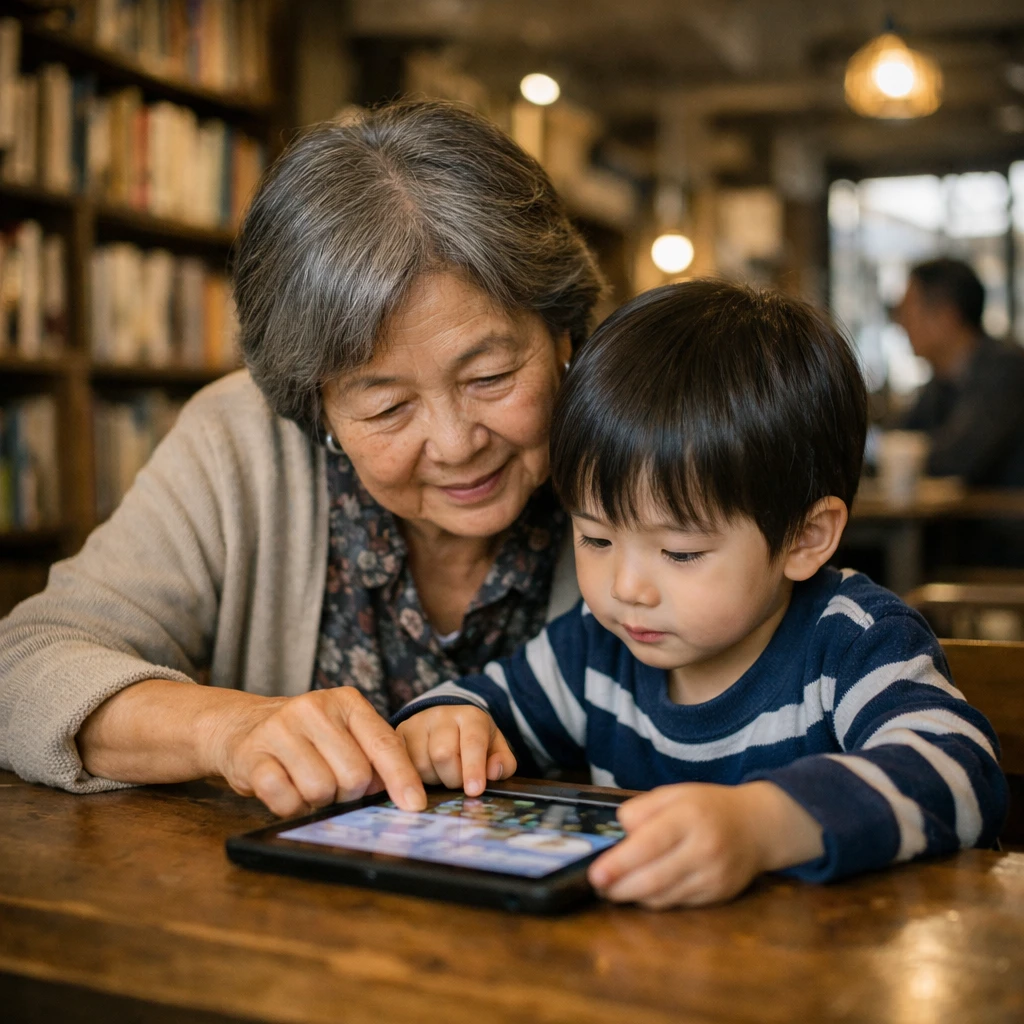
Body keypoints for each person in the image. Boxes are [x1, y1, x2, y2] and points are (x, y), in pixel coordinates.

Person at [0, 100, 601, 817]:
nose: (454, 442)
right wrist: (228, 729)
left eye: (491, 377)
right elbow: (22, 667)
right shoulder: (241, 441)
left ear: (563, 332)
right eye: (386, 408)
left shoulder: (644, 434)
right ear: (314, 407)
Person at [393, 281, 1008, 909]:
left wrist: (762, 825)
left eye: (680, 552)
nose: (626, 588)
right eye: (595, 538)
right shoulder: (595, 651)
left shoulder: (852, 640)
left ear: (805, 536)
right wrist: (449, 723)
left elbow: (962, 775)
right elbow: (475, 700)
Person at [896, 257, 1024, 488]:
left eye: (908, 312)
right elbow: (899, 439)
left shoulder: (1007, 370)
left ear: (947, 316)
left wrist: (908, 453)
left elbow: (958, 458)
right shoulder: (940, 382)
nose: (902, 324)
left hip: (1003, 519)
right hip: (958, 519)